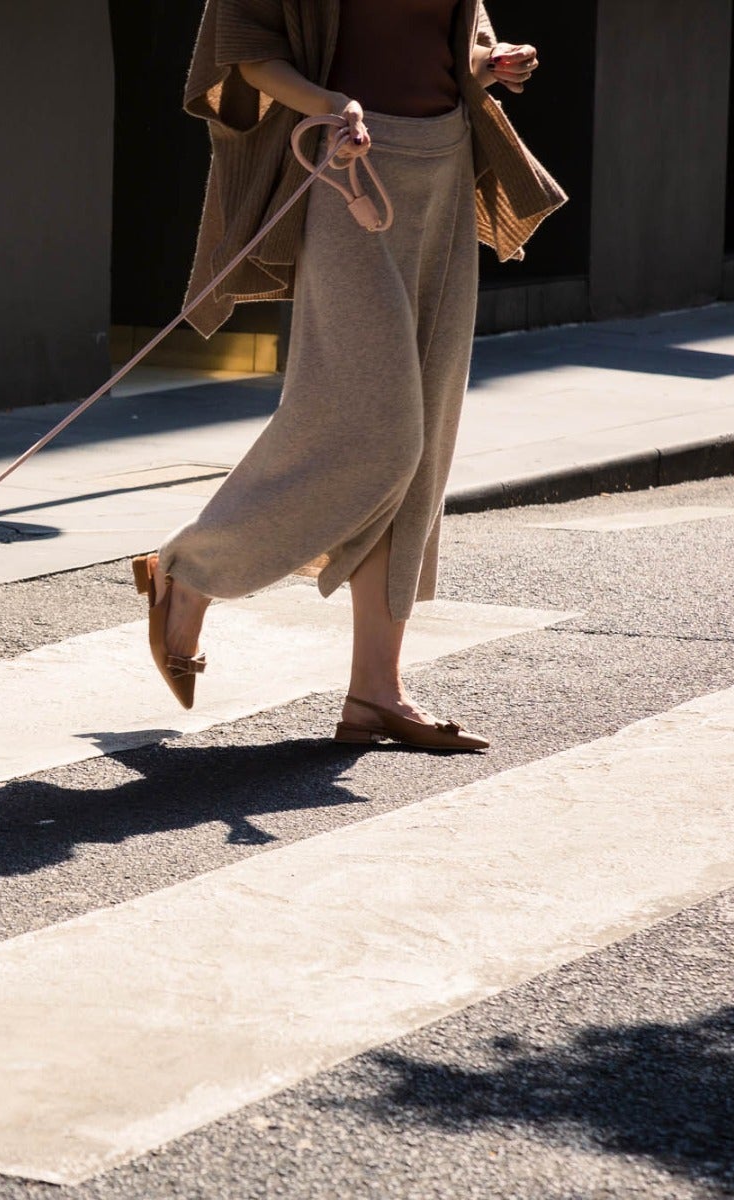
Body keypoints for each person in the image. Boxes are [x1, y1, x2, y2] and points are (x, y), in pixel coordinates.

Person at [134, 0, 566, 750]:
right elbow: (244, 53)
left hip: (446, 164)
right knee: (379, 429)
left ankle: (376, 692)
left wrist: (490, 65)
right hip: (348, 167)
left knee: (424, 440)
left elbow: (452, 42)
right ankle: (192, 570)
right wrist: (332, 104)